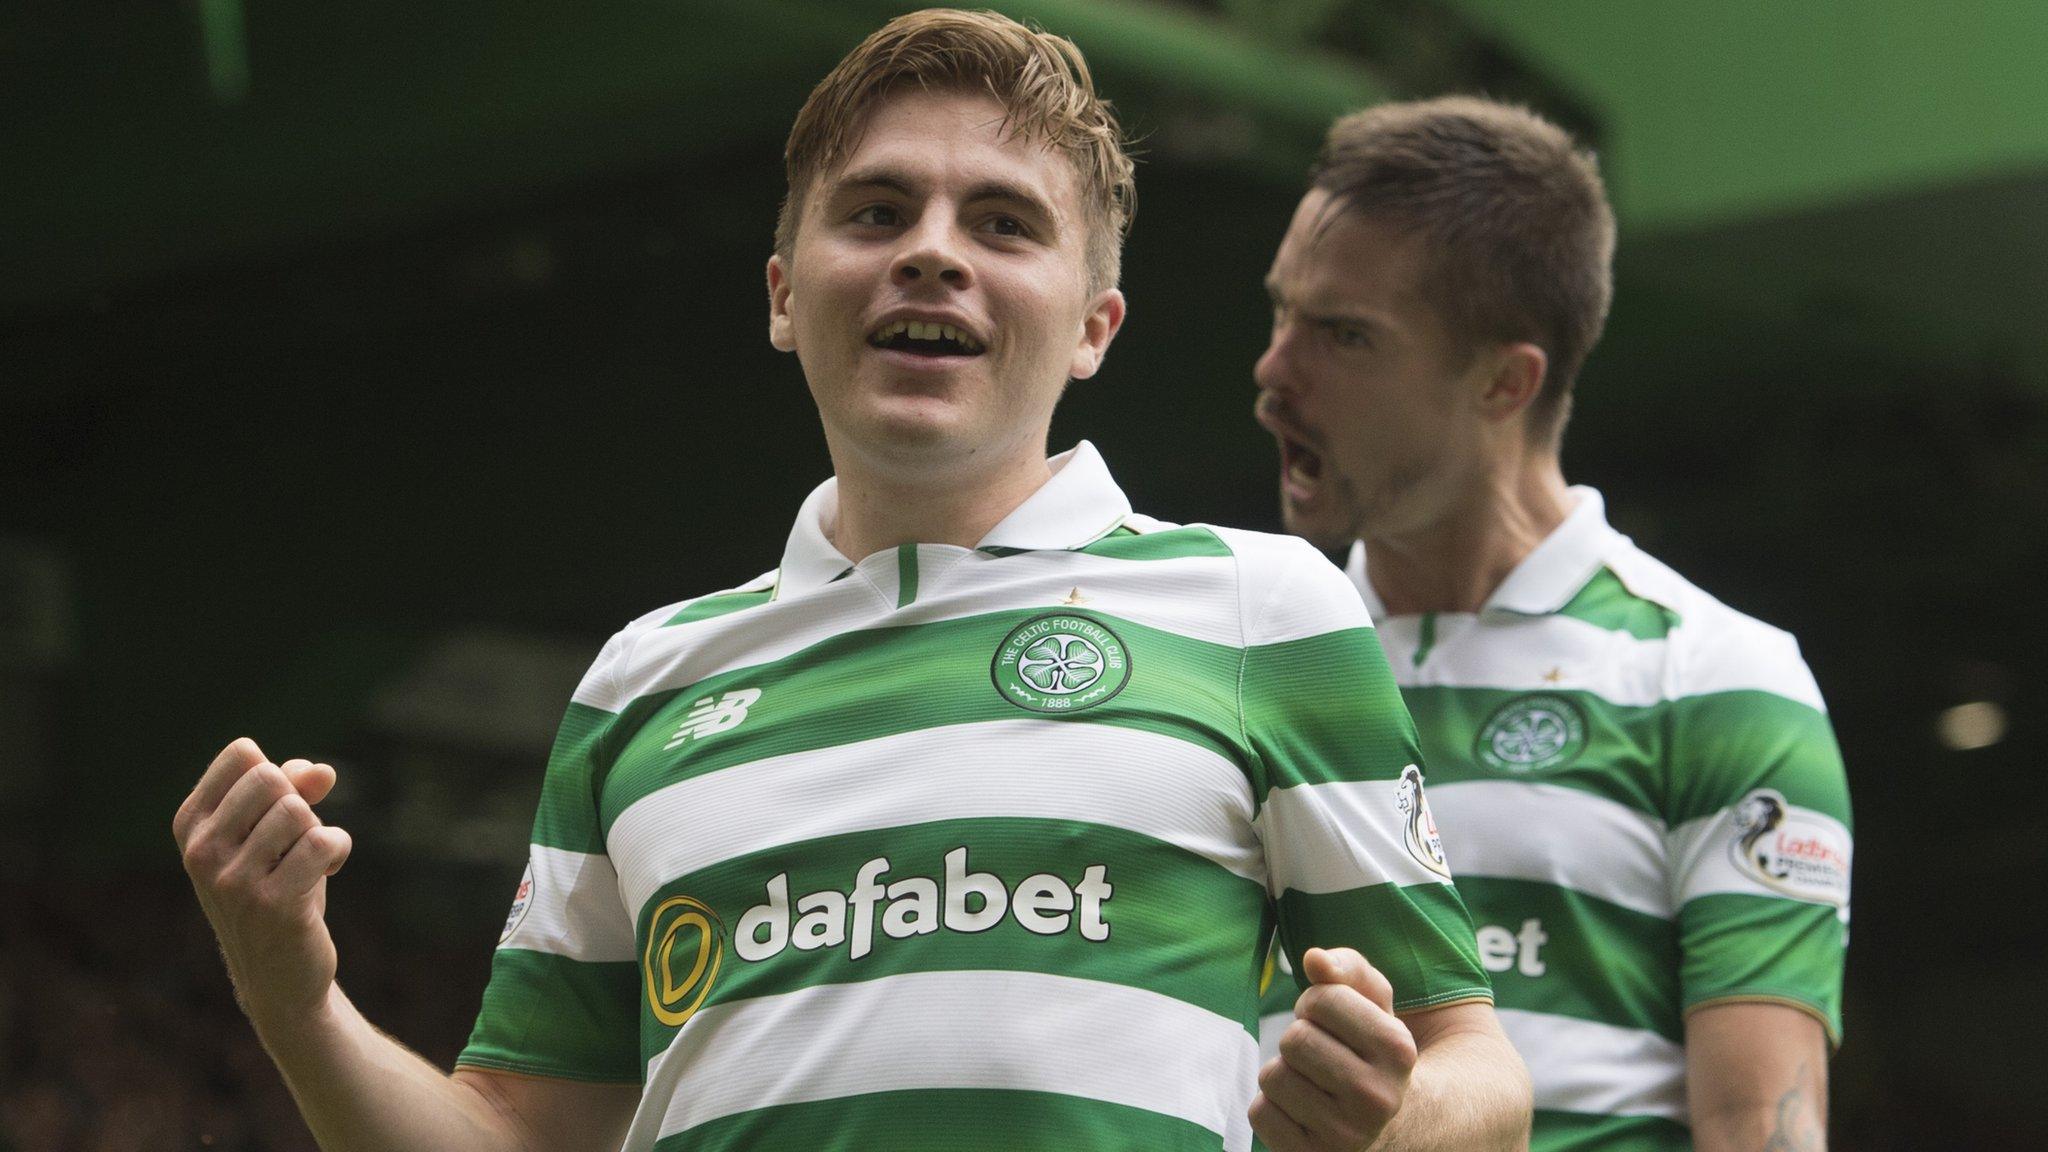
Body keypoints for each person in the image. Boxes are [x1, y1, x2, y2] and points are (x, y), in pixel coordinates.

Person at [172, 12, 1530, 1152]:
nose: (932, 249)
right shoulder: (644, 680)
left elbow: (1481, 1066)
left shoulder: (1261, 607)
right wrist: (299, 1002)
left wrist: (1391, 1118)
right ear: (783, 292)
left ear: (1094, 328)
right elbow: (518, 1132)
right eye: (877, 210)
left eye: (1003, 222)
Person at [1250, 96, 1853, 1152]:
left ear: (1503, 382)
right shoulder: (1240, 663)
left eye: (1342, 335)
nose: (1272, 375)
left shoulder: (1711, 677)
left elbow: (1760, 1130)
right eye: (1280, 314)